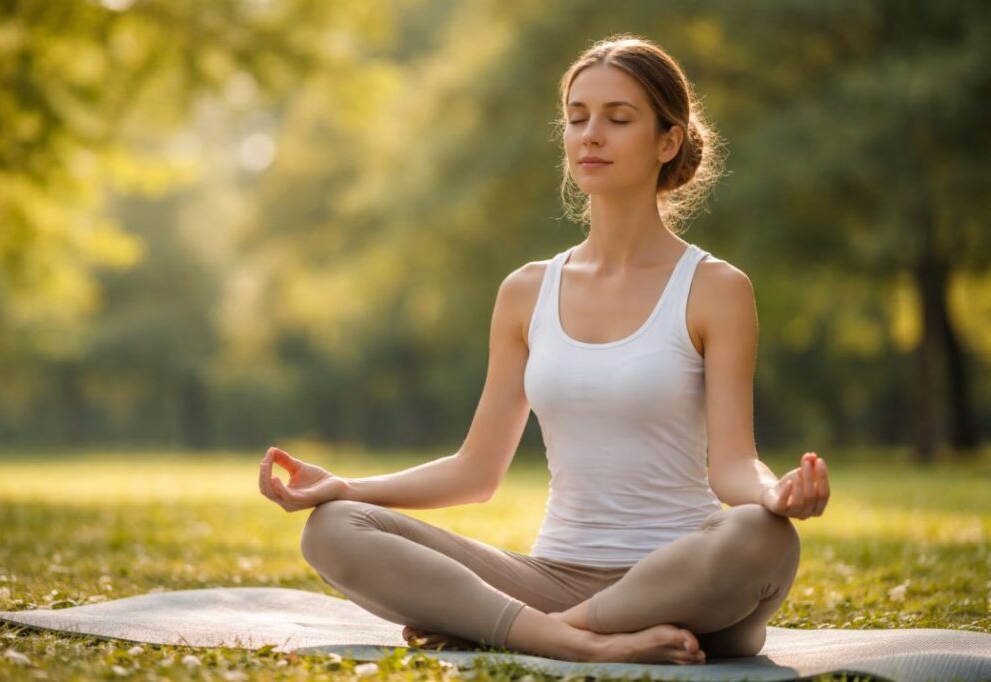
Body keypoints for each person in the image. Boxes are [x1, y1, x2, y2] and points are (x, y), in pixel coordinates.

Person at [258, 33, 830, 665]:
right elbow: (475, 472)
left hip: (685, 577)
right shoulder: (526, 291)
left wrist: (773, 493)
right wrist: (346, 486)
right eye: (577, 117)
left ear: (667, 142)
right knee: (335, 527)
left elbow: (732, 465)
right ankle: (567, 638)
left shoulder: (716, 289)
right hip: (550, 575)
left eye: (618, 119)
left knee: (764, 537)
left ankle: (545, 631)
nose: (591, 135)